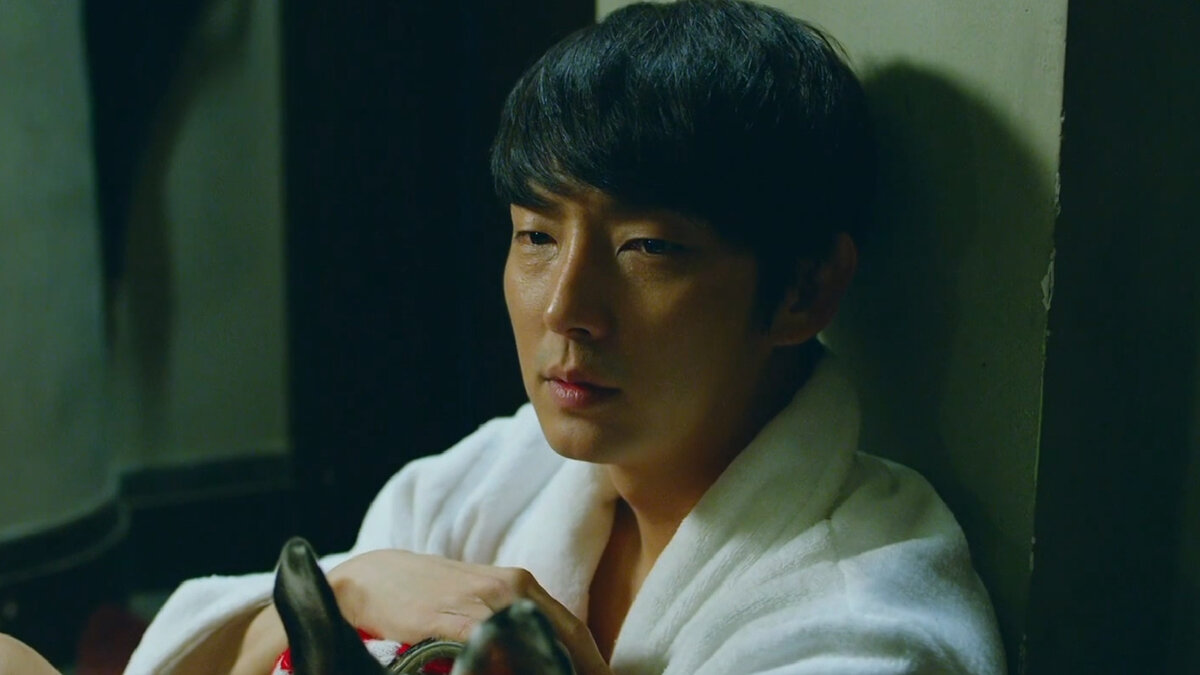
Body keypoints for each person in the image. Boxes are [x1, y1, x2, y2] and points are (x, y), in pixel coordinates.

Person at [1, 1, 1006, 673]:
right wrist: (348, 583)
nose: (566, 307)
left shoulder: (864, 622)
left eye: (648, 247)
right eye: (535, 235)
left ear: (805, 288)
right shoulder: (501, 477)